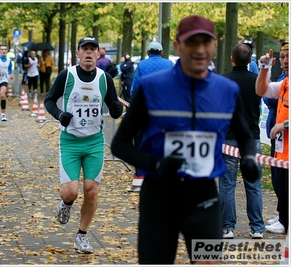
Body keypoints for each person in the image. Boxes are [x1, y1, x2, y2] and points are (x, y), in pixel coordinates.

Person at [110, 15, 259, 264]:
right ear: (178, 47)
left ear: (214, 46)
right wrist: (156, 163)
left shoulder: (226, 90)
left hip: (203, 197)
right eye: (192, 43)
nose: (199, 49)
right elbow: (120, 144)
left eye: (206, 42)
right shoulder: (151, 87)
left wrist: (250, 159)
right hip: (159, 197)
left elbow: (244, 135)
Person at [44, 35, 123, 254]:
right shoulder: (66, 75)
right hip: (69, 142)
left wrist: (117, 110)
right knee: (70, 192)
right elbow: (49, 100)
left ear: (98, 54)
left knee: (91, 191)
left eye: (93, 49)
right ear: (77, 54)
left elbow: (115, 106)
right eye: (84, 49)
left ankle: (82, 235)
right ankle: (66, 204)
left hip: (94, 143)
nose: (89, 53)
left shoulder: (104, 78)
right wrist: (60, 115)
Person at [219, 43, 265, 239]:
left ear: (232, 59)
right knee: (253, 183)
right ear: (250, 61)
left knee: (227, 183)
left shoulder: (222, 82)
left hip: (228, 137)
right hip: (251, 137)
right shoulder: (257, 81)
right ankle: (257, 227)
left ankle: (228, 227)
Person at [126, 39, 173, 192]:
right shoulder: (169, 65)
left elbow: (134, 89)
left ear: (147, 52)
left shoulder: (141, 65)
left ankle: (139, 181)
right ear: (161, 52)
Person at [256, 41, 288, 235]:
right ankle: (284, 218)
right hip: (282, 151)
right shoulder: (285, 83)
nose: (285, 61)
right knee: (282, 188)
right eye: (283, 57)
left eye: (288, 56)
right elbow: (262, 91)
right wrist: (264, 68)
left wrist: (283, 125)